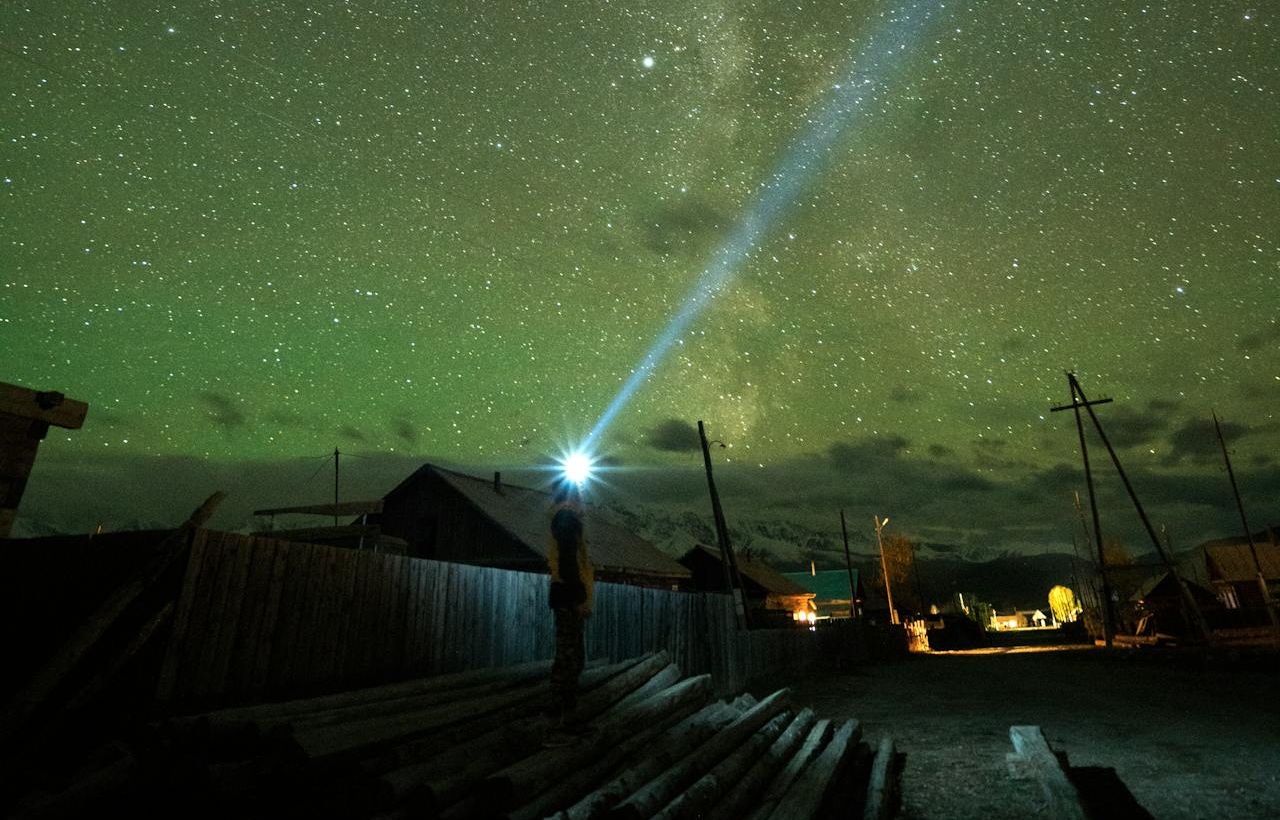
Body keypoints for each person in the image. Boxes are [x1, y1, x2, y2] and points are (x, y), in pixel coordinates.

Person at [545, 477, 594, 741]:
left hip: (567, 596)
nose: (582, 498)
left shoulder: (565, 517)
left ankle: (566, 719)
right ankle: (555, 725)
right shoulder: (566, 518)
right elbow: (568, 561)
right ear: (572, 496)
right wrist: (579, 594)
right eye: (579, 493)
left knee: (571, 659)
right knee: (568, 660)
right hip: (568, 597)